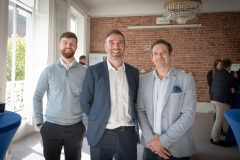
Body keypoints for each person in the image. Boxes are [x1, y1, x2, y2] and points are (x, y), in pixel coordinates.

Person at [80, 29, 139, 160]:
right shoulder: (93, 71)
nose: (116, 47)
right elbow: (85, 101)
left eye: (120, 43)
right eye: (111, 43)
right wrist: (97, 118)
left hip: (128, 134)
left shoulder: (133, 72)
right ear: (105, 46)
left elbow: (135, 100)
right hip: (102, 133)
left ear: (124, 46)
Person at [136, 39, 197, 160]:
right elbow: (140, 110)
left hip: (177, 146)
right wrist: (151, 140)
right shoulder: (144, 80)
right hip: (150, 146)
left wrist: (163, 141)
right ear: (151, 57)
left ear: (171, 54)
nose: (159, 56)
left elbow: (188, 115)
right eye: (156, 53)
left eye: (163, 52)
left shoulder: (186, 80)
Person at [33, 31, 87, 160]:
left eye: (72, 43)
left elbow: (90, 99)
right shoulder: (48, 71)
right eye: (65, 43)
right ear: (59, 46)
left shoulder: (85, 72)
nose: (68, 46)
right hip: (51, 127)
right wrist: (40, 122)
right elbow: (37, 96)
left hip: (75, 127)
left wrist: (87, 124)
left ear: (76, 47)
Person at [210, 59, 239, 147]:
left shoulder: (217, 73)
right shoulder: (228, 74)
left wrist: (230, 87)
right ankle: (216, 140)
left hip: (214, 98)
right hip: (221, 100)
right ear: (229, 66)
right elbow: (236, 86)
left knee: (218, 120)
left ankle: (213, 137)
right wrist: (236, 77)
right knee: (220, 120)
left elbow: (222, 84)